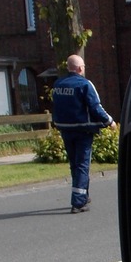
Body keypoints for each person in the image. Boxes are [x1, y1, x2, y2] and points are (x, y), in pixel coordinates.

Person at [50, 54, 114, 213]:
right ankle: (78, 202)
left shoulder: (58, 84)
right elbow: (95, 107)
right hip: (83, 130)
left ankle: (83, 194)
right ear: (79, 68)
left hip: (65, 129)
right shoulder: (85, 84)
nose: (84, 69)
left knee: (75, 164)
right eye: (83, 66)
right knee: (82, 165)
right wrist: (109, 121)